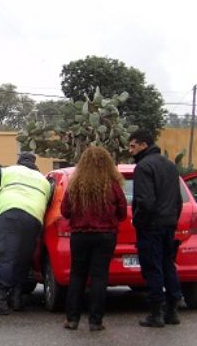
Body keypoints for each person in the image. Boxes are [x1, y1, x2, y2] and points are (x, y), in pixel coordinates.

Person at [0, 152, 51, 315]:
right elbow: (46, 202)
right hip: (33, 219)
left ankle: (0, 301)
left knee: (4, 257)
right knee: (22, 259)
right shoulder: (43, 180)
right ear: (34, 163)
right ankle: (17, 299)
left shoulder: (7, 171)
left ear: (19, 162)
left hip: (10, 214)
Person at [60, 146, 127, 332]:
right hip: (106, 235)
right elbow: (122, 212)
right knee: (99, 276)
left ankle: (72, 319)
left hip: (80, 235)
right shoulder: (112, 185)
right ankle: (95, 321)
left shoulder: (75, 185)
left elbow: (65, 211)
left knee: (77, 275)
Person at [128, 130, 183, 328]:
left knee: (152, 267)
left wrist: (137, 220)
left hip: (151, 226)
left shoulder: (143, 167)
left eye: (133, 146)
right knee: (168, 265)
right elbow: (178, 200)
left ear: (144, 145)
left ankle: (156, 312)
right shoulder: (170, 165)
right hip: (168, 224)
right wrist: (173, 220)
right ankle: (173, 310)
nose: (130, 150)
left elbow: (145, 201)